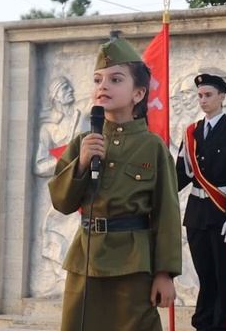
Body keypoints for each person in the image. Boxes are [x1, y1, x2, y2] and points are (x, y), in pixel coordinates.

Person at [49, 37, 182, 331]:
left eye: (115, 79)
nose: (103, 86)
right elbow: (62, 202)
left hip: (132, 265)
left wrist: (165, 274)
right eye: (98, 80)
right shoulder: (83, 142)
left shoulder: (152, 147)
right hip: (86, 261)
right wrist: (82, 163)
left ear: (138, 93)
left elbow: (167, 214)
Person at [176, 73, 226, 331]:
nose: (203, 100)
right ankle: (204, 324)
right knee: (205, 277)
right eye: (200, 96)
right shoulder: (191, 133)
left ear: (222, 97)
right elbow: (181, 175)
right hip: (197, 214)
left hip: (222, 214)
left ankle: (223, 325)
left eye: (208, 95)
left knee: (224, 277)